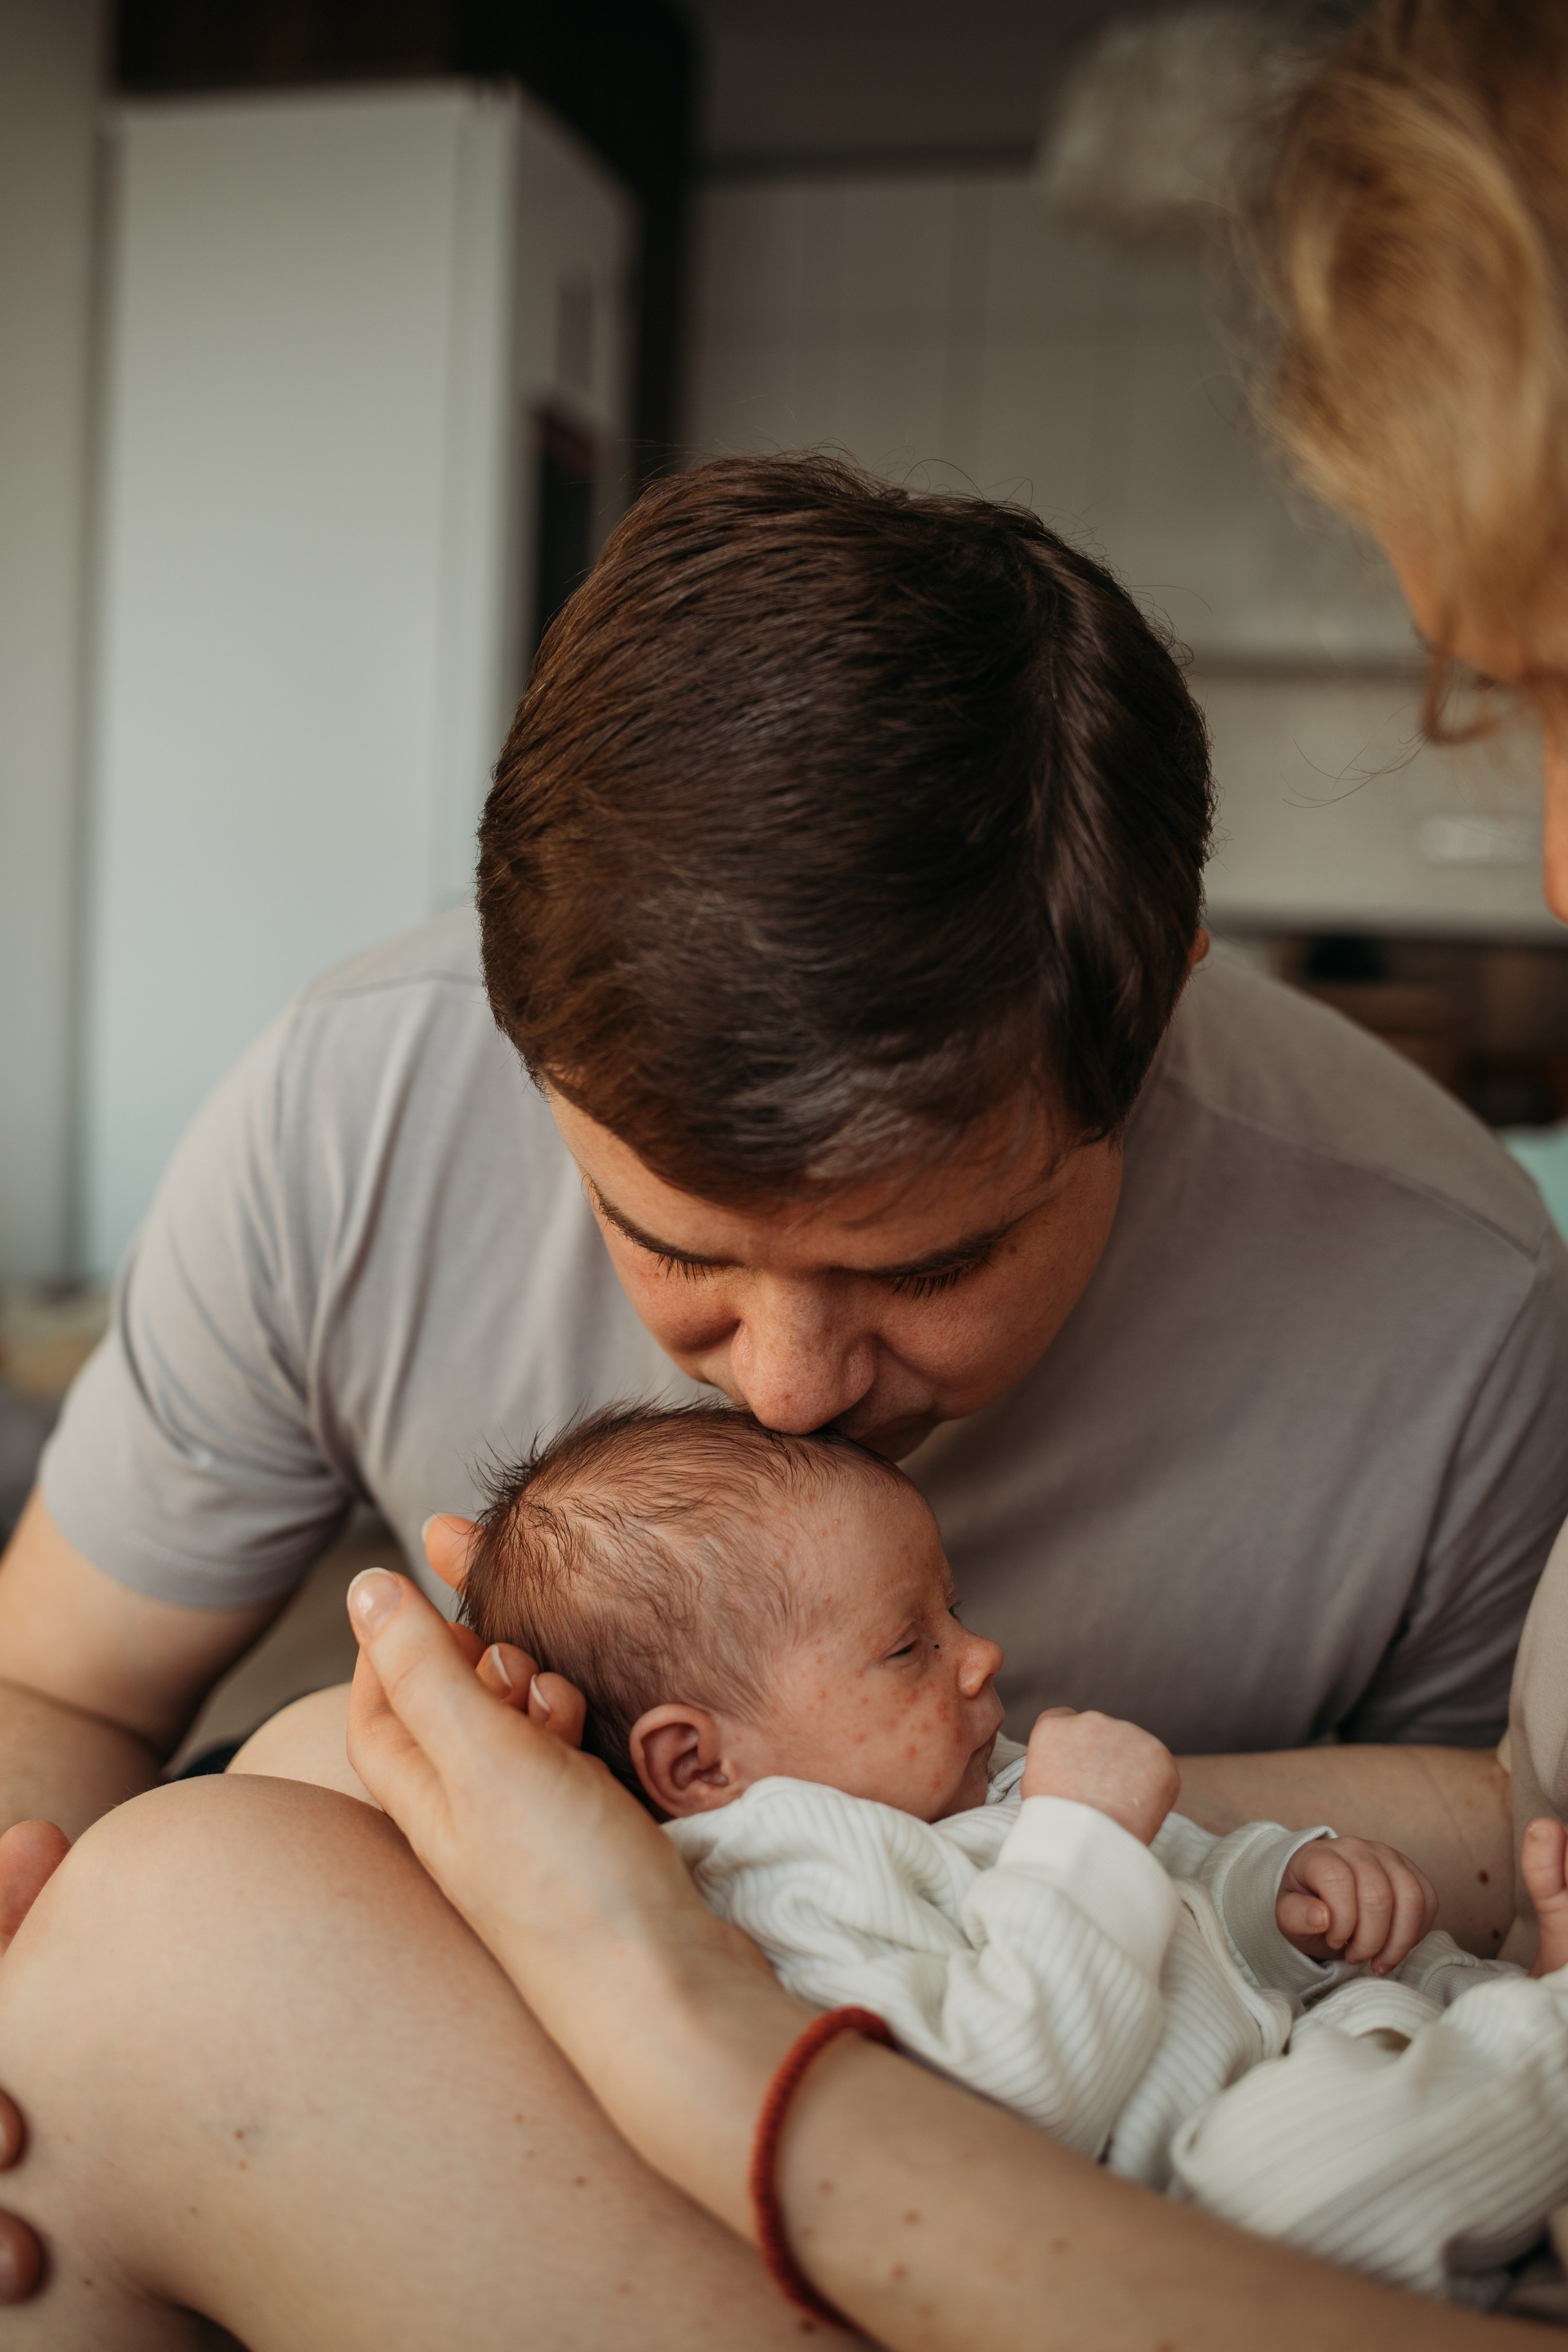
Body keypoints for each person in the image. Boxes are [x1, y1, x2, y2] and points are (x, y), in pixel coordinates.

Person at [0, 456, 1561, 2329]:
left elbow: (1493, 1868)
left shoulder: (1454, 1308)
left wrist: (844, 1834)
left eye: (929, 1266)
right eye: (668, 1244)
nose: (794, 1387)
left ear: (1148, 1034)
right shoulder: (353, 1114)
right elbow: (61, 1678)